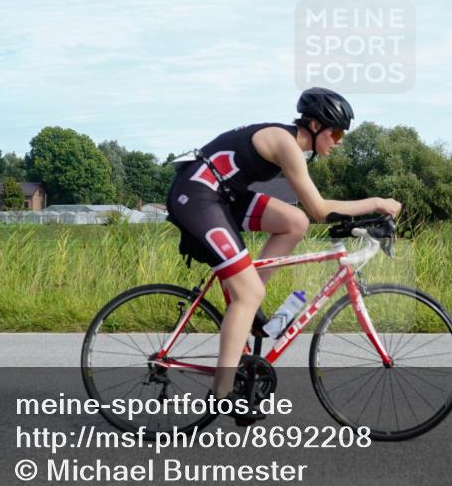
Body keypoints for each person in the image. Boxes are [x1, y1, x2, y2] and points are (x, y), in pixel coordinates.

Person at [166, 87, 402, 416]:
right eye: (335, 132)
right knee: (248, 292)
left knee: (294, 221)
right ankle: (222, 392)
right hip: (197, 195)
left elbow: (308, 215)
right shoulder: (286, 144)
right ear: (315, 126)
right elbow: (321, 209)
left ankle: (248, 300)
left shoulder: (291, 144)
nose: (339, 140)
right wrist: (376, 203)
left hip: (223, 196)